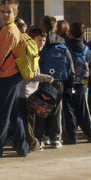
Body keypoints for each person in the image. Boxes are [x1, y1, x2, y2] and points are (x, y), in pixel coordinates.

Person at [0, 0, 28, 158]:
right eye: (2, 11)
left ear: (15, 13)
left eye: (8, 12)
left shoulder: (8, 31)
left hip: (8, 76)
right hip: (14, 75)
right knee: (12, 113)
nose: (5, 15)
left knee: (3, 114)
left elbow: (0, 56)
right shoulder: (13, 29)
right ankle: (22, 147)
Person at [18, 27, 55, 152]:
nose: (42, 44)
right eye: (39, 40)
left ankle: (29, 142)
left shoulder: (33, 52)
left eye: (44, 41)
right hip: (25, 93)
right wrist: (44, 78)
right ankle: (32, 143)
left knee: (30, 119)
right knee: (27, 121)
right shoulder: (28, 52)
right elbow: (31, 74)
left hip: (31, 92)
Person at [63, 22, 91, 144]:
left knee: (69, 111)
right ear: (83, 35)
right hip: (82, 82)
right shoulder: (86, 49)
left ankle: (72, 136)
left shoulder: (65, 47)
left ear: (69, 33)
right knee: (83, 110)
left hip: (68, 82)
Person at [37, 15, 68, 148]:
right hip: (58, 80)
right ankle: (55, 138)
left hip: (43, 78)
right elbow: (69, 62)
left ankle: (42, 137)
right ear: (55, 28)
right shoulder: (61, 42)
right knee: (56, 109)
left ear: (42, 26)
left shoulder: (41, 40)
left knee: (42, 108)